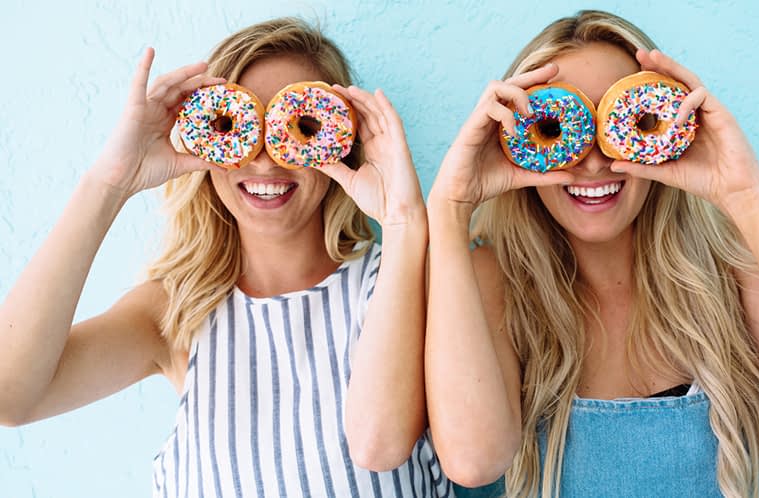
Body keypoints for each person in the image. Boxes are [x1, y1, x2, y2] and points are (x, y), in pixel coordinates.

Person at [425, 9, 759, 498]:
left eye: (624, 123)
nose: (595, 162)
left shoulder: (727, 272)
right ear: (513, 138)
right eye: (563, 127)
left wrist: (750, 197)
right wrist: (450, 210)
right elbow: (473, 461)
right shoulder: (491, 280)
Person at [0, 17, 451, 497]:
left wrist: (404, 222)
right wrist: (111, 182)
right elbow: (11, 396)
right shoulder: (173, 313)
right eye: (236, 127)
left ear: (344, 141)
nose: (265, 160)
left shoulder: (409, 282)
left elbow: (399, 447)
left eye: (300, 128)